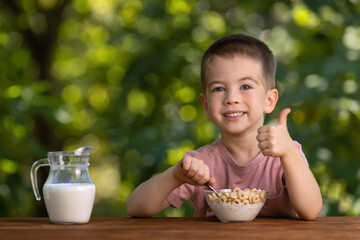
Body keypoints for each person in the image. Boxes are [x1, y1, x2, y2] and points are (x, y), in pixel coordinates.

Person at [127, 34, 322, 220]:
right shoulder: (200, 164)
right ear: (205, 104)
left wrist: (288, 152)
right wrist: (175, 176)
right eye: (219, 89)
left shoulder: (286, 155)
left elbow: (311, 210)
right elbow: (136, 208)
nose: (231, 99)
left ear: (269, 100)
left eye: (245, 86)